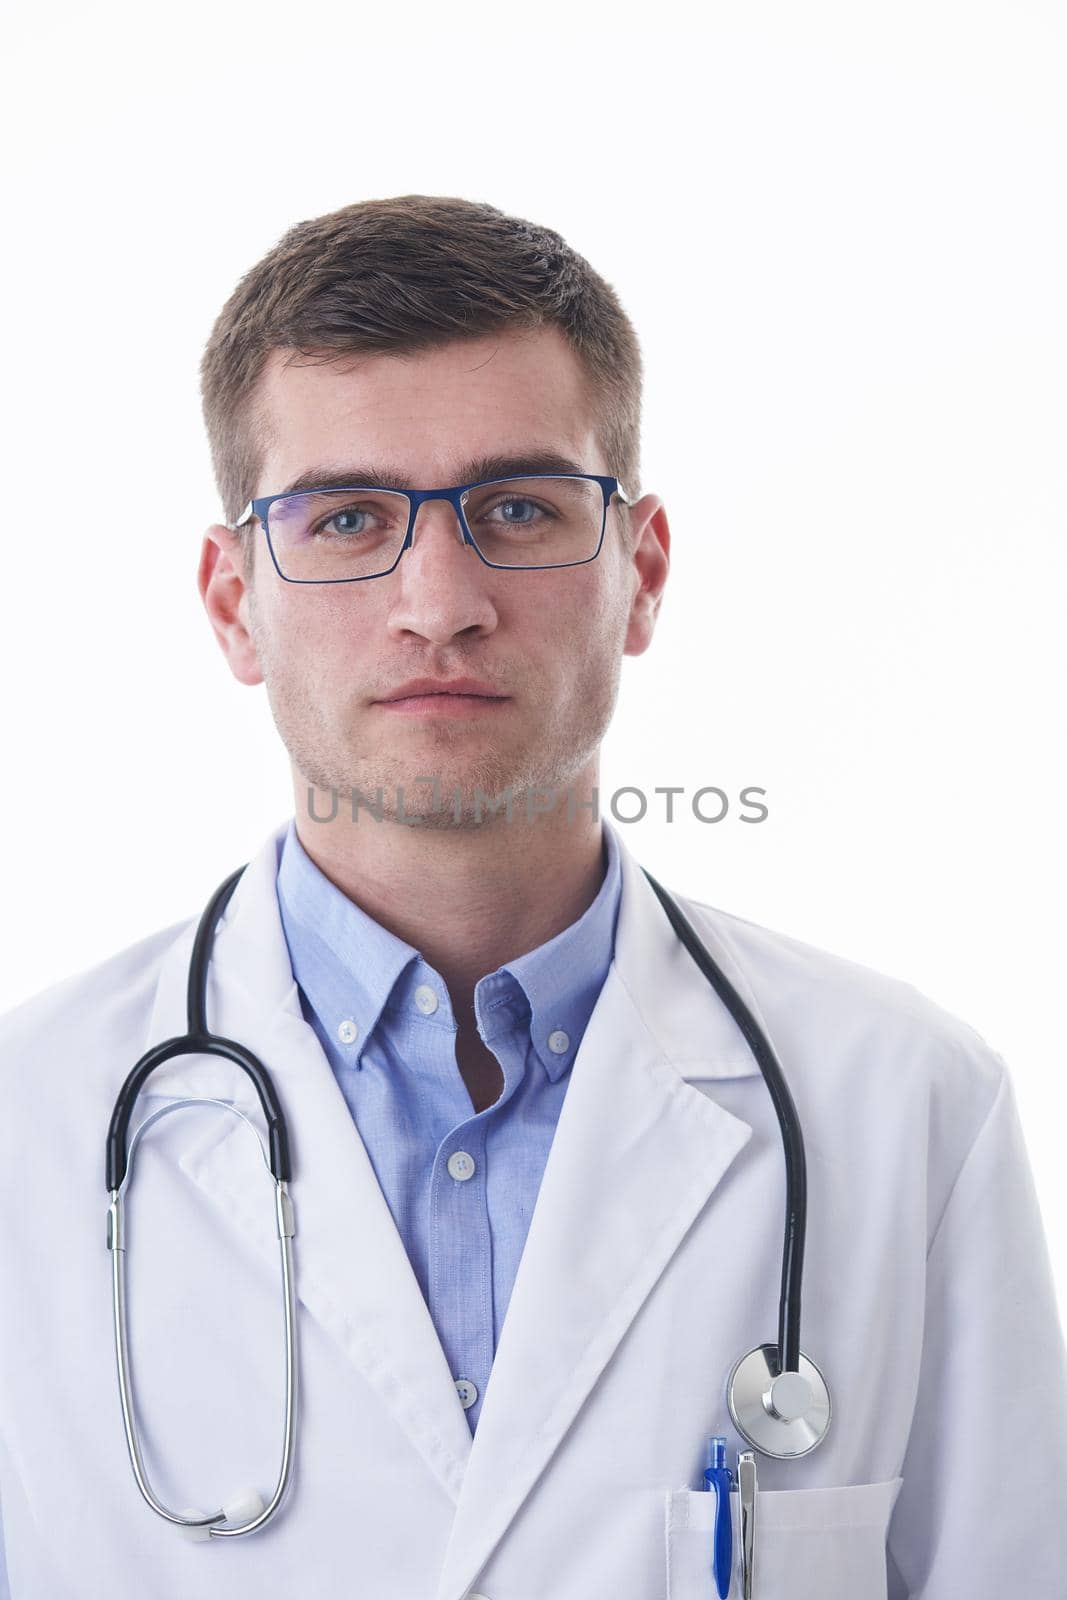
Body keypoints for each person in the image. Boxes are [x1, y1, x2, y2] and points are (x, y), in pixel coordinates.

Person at [0, 194, 1064, 1600]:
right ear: (230, 602)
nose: (438, 601)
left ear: (644, 572)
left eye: (517, 509)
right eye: (346, 517)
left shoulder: (904, 1103)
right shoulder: (32, 1120)